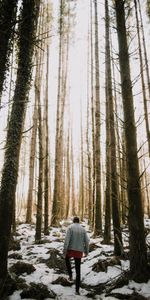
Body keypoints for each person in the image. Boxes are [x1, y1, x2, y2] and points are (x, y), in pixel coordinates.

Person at [63, 216, 89, 295]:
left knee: (67, 259)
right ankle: (77, 290)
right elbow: (87, 241)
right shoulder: (83, 229)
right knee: (78, 271)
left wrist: (65, 250)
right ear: (79, 221)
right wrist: (86, 251)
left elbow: (67, 239)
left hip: (71, 249)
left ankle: (70, 275)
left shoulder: (70, 227)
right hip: (79, 251)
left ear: (73, 221)